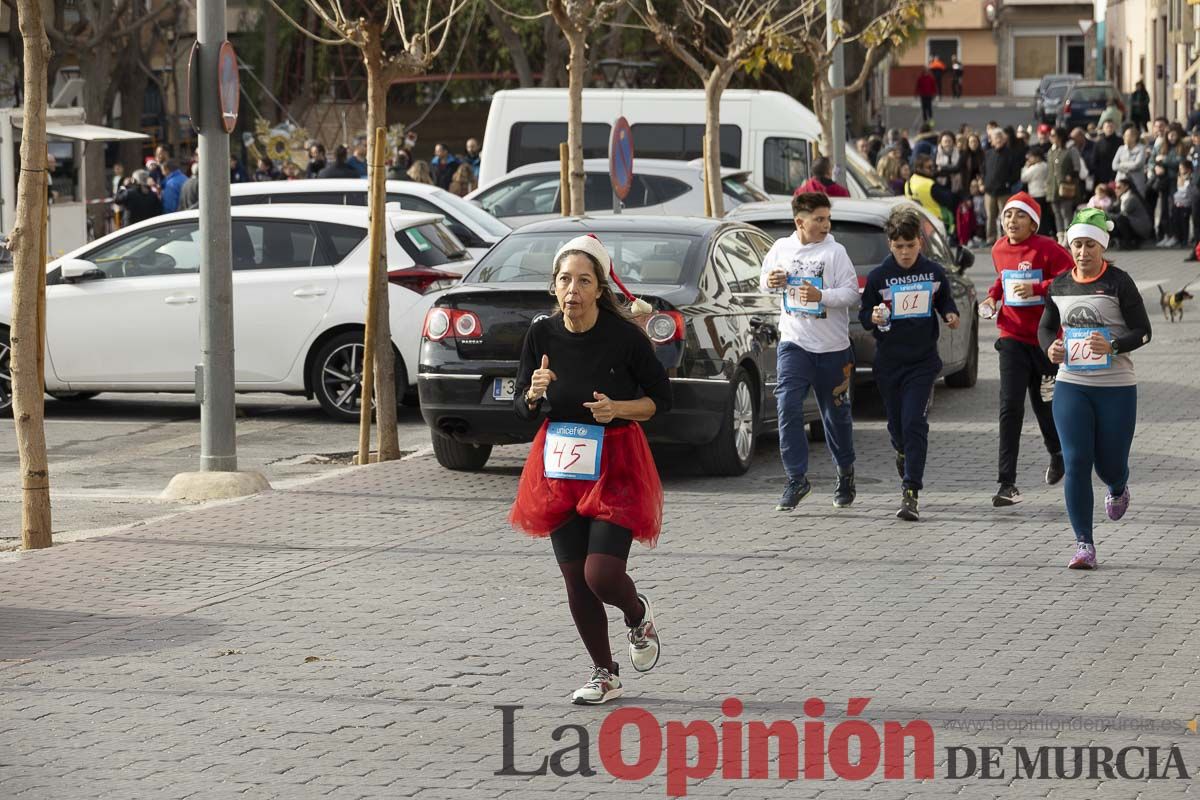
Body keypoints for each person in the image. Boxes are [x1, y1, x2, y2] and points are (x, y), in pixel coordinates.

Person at [509, 233, 668, 705]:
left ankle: (637, 615)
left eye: (583, 280)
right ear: (553, 288)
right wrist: (533, 394)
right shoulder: (541, 333)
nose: (572, 290)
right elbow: (521, 407)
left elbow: (662, 401)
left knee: (602, 574)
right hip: (559, 463)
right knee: (576, 580)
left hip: (616, 461)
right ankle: (604, 673)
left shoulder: (624, 338)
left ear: (600, 288)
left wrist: (617, 407)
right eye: (564, 280)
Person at [1039, 208, 1152, 569]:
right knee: (1076, 462)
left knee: (1110, 464)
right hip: (1073, 384)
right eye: (1077, 245)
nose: (1083, 252)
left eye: (1090, 245)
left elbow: (1143, 331)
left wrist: (1114, 346)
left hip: (1116, 385)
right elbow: (1045, 328)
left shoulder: (1119, 282)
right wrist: (1050, 349)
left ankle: (1118, 487)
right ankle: (1084, 544)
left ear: (1101, 246)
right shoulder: (1059, 285)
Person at [858, 207, 960, 521]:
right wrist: (873, 317)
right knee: (897, 426)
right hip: (889, 363)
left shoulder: (933, 272)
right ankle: (902, 452)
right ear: (890, 244)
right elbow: (865, 316)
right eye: (899, 246)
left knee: (914, 422)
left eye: (910, 245)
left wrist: (950, 314)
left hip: (922, 362)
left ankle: (911, 490)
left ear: (920, 242)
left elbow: (945, 300)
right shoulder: (878, 277)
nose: (905, 252)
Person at [760, 192, 859, 511]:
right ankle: (796, 478)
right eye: (819, 219)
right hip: (794, 343)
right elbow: (765, 282)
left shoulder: (836, 252)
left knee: (836, 417)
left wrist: (822, 295)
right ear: (799, 221)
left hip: (832, 348)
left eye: (828, 218)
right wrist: (772, 280)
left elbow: (851, 294)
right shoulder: (781, 248)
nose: (826, 224)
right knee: (787, 405)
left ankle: (845, 473)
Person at [980, 192, 1073, 505]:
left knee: (1045, 404)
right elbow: (1002, 279)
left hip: (1046, 340)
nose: (1011, 221)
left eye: (1019, 216)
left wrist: (1038, 288)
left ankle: (1057, 453)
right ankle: (1007, 483)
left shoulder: (1047, 248)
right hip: (1012, 337)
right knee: (1010, 406)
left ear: (1033, 222)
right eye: (1007, 215)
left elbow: (1069, 278)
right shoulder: (998, 249)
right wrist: (992, 298)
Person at [1046, 127, 1082, 245]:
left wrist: (1071, 176)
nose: (1051, 138)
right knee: (1056, 213)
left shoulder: (1070, 150)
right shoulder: (1051, 151)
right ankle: (1060, 236)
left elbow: (1077, 168)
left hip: (1066, 187)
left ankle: (1068, 236)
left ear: (1060, 137)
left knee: (1066, 212)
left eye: (1053, 135)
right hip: (1053, 187)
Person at [983, 127, 1019, 244]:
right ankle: (990, 238)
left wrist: (1008, 183)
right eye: (995, 138)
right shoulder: (988, 153)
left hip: (1004, 191)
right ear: (991, 141)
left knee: (1005, 216)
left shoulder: (1010, 154)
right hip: (989, 191)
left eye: (1000, 138)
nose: (997, 140)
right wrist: (984, 182)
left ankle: (1006, 237)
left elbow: (1015, 172)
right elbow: (983, 170)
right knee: (990, 216)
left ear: (1004, 140)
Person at [905, 153, 956, 234]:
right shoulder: (930, 185)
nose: (933, 169)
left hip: (919, 224)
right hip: (937, 224)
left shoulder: (909, 182)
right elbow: (949, 200)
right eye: (929, 167)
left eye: (933, 166)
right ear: (919, 168)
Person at [1110, 177, 1154, 249]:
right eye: (1115, 188)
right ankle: (1120, 241)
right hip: (1134, 225)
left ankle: (1128, 242)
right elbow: (1113, 210)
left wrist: (1105, 213)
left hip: (1141, 229)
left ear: (1126, 187)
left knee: (1120, 219)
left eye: (1118, 187)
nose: (1116, 190)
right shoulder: (1122, 198)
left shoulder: (1131, 198)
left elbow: (1121, 215)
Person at [1021, 146, 1052, 237]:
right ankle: (1046, 233)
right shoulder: (1046, 165)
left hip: (1036, 194)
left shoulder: (1036, 167)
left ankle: (1041, 234)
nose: (1029, 159)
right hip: (1044, 193)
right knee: (1045, 216)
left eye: (1031, 157)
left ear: (1037, 157)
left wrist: (1026, 167)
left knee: (1038, 216)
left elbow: (1024, 178)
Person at [1112, 124, 1148, 195]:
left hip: (1136, 182)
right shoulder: (1121, 149)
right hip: (1121, 181)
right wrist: (1127, 168)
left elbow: (1137, 165)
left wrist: (1122, 164)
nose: (1124, 137)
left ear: (1134, 137)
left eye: (1127, 136)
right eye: (1124, 135)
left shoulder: (1141, 149)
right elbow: (1114, 165)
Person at [1092, 120, 1121, 187]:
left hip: (1117, 176)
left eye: (1111, 126)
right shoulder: (1098, 143)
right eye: (1107, 127)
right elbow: (1094, 161)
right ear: (1103, 128)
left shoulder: (1120, 142)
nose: (1109, 129)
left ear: (1114, 128)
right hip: (1102, 177)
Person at [934, 130, 963, 196]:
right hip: (940, 184)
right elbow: (935, 170)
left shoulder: (958, 153)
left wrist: (942, 168)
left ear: (953, 142)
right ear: (941, 143)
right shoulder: (936, 153)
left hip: (956, 185)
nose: (947, 144)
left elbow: (957, 168)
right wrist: (951, 169)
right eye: (945, 141)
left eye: (949, 141)